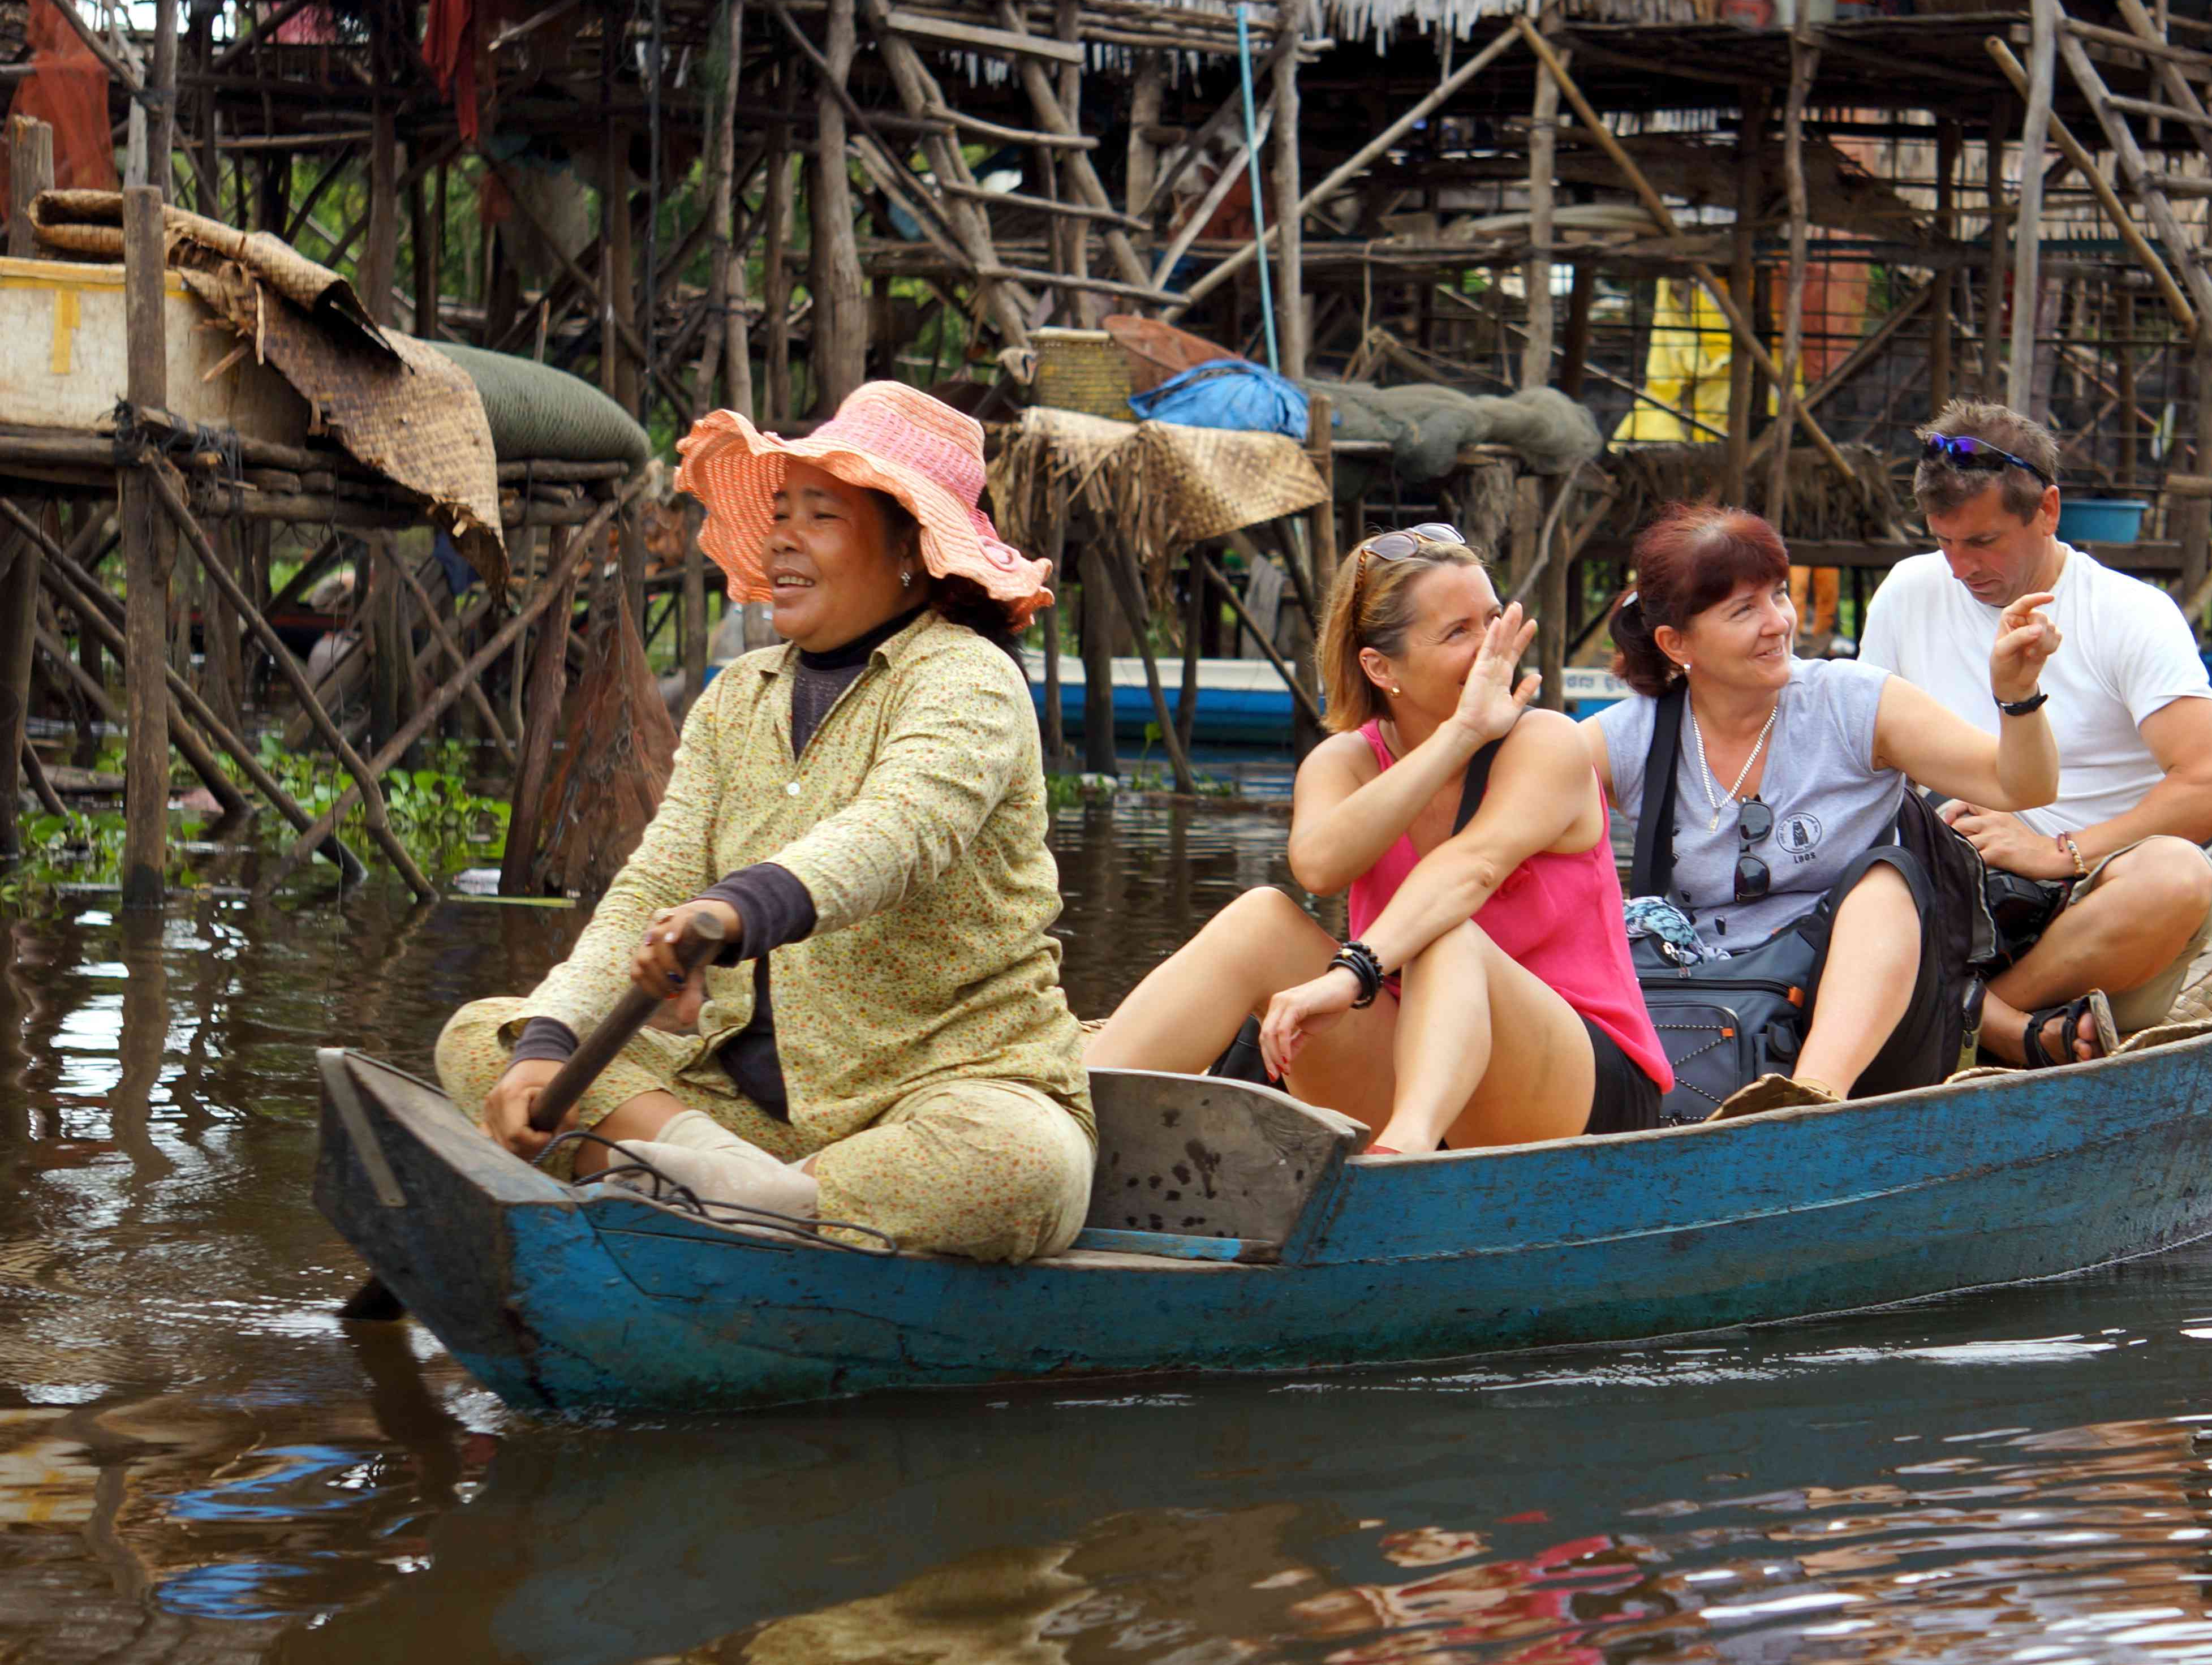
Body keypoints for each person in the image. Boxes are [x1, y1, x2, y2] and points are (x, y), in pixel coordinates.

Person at [435, 382, 1097, 1263]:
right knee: (488, 1039)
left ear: (912, 549)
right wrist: (549, 1046)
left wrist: (737, 909)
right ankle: (746, 1188)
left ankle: (716, 1194)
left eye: (820, 517)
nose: (783, 538)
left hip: (945, 1090)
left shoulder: (967, 677)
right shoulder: (737, 698)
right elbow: (654, 883)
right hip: (742, 1110)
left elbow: (898, 831)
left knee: (1021, 1170)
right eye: (781, 515)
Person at [1088, 524, 1669, 1154]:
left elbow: (1468, 870)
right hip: (1412, 1055)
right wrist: (1460, 735)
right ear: (1380, 666)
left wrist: (1351, 973)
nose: (1491, 648)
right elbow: (1318, 867)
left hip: (1575, 1083)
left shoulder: (1547, 743)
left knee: (1446, 933)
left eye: (1492, 619)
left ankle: (1402, 1164)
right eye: (1458, 632)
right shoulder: (1344, 762)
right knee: (1260, 920)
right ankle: (1066, 1119)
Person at [1583, 502, 2073, 1113]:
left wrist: (2017, 695)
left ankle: (1805, 1103)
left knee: (1886, 878)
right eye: (1744, 610)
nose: (1778, 623)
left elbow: (2021, 786)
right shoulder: (1631, 735)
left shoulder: (1850, 701)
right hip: (1702, 1020)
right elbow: (1505, 822)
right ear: (1675, 643)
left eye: (1778, 595)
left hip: (1865, 1026)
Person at [1858, 400, 2212, 1051]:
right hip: (1953, 897)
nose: (1960, 568)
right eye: (1944, 541)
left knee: (2180, 878)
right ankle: (2003, 1030)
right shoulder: (1907, 591)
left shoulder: (2129, 614)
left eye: (1982, 542)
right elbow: (1863, 758)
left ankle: (1975, 1022)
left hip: (2090, 913)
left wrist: (2059, 853)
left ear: (2047, 511)